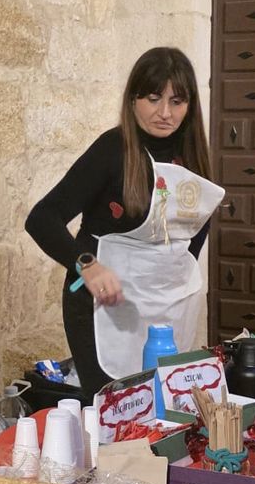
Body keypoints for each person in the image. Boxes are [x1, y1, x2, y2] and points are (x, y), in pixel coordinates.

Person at [25, 47, 224, 394]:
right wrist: (86, 265)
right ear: (133, 99)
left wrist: (176, 268)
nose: (165, 113)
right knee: (117, 411)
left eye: (177, 102)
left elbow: (199, 221)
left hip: (168, 306)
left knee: (166, 405)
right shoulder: (112, 150)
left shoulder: (192, 156)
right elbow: (42, 218)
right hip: (107, 309)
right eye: (153, 99)